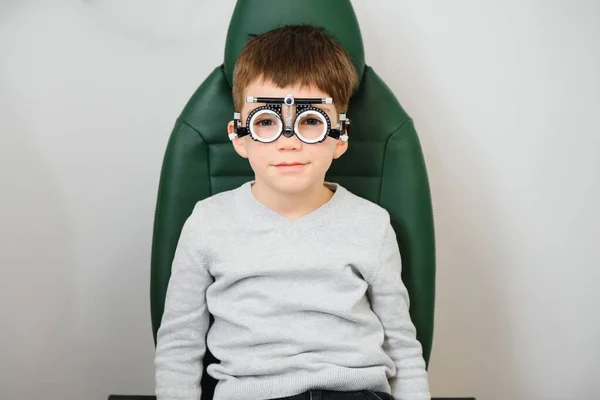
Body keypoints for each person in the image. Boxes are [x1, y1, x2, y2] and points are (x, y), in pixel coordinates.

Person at [155, 24, 430, 400]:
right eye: (265, 122)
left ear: (340, 137)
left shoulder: (371, 225)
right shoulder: (208, 223)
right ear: (238, 136)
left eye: (311, 122)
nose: (288, 142)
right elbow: (178, 346)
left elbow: (402, 344)